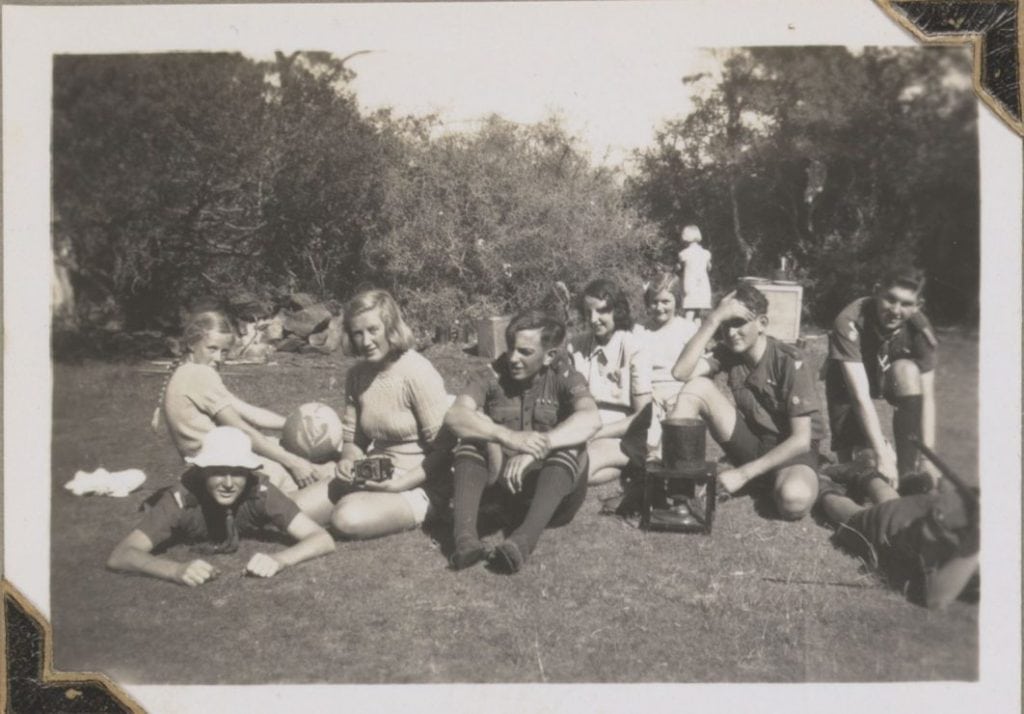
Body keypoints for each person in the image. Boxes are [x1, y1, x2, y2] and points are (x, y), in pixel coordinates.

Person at [444, 311, 601, 572]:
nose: (514, 359)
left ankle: (522, 543)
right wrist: (508, 437)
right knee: (471, 440)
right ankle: (465, 541)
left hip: (553, 498)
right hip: (505, 493)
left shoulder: (565, 376)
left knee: (573, 444)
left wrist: (540, 447)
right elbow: (455, 416)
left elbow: (591, 419)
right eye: (511, 349)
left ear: (549, 355)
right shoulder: (491, 374)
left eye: (525, 352)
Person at [292, 289, 453, 539]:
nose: (365, 341)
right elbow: (354, 440)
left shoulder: (418, 372)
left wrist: (400, 484)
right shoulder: (356, 375)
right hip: (373, 472)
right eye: (358, 333)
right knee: (291, 510)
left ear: (390, 328)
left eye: (373, 330)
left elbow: (444, 451)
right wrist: (347, 461)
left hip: (422, 482)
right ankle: (363, 499)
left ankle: (424, 510)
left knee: (346, 518)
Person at [669, 283, 824, 519]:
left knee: (794, 501)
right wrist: (712, 320)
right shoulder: (728, 352)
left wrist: (742, 474)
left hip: (790, 452)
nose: (731, 333)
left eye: (738, 323)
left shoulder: (790, 360)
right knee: (696, 388)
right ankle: (680, 491)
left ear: (762, 323)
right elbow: (681, 372)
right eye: (725, 325)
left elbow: (801, 440)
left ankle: (770, 480)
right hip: (752, 443)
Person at [107, 427, 335, 586]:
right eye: (218, 471)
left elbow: (322, 538)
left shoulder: (260, 490)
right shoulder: (180, 497)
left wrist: (279, 560)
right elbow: (121, 554)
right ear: (202, 471)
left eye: (237, 472)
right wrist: (175, 570)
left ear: (248, 472)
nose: (228, 483)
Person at [153, 309, 330, 494]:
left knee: (295, 449)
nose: (218, 358)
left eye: (224, 351)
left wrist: (296, 424)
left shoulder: (185, 371)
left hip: (211, 466)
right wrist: (292, 462)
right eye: (212, 349)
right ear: (192, 344)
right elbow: (242, 430)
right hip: (227, 468)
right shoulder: (199, 375)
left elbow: (248, 411)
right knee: (322, 474)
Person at [824, 266, 940, 489]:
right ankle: (834, 472)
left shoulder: (921, 331)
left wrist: (927, 458)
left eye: (906, 304)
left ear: (918, 306)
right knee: (862, 463)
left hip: (890, 375)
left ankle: (906, 473)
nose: (896, 310)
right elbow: (860, 397)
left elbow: (928, 398)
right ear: (877, 291)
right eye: (890, 299)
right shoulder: (849, 319)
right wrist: (881, 453)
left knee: (907, 370)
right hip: (848, 381)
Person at [816, 471, 978, 609]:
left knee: (893, 505)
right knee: (852, 518)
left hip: (919, 513)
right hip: (902, 525)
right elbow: (937, 599)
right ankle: (824, 486)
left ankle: (867, 474)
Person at [568, 278, 653, 484]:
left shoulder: (635, 346)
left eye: (602, 311)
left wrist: (596, 434)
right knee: (564, 468)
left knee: (575, 471)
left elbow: (643, 416)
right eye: (588, 313)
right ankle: (628, 468)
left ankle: (631, 463)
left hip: (625, 432)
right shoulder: (576, 346)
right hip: (583, 427)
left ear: (617, 310)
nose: (594, 319)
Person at [675, 224, 712, 321]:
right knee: (698, 313)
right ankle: (698, 331)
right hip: (702, 284)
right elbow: (709, 268)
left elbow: (679, 268)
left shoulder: (684, 254)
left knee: (689, 311)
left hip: (690, 284)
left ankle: (687, 332)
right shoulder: (706, 253)